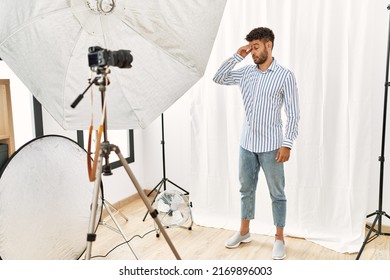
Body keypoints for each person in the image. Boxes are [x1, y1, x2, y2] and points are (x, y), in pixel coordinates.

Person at [212, 27, 299, 260]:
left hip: (273, 146)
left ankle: (279, 238)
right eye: (250, 47)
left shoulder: (285, 75)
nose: (252, 52)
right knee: (246, 189)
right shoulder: (246, 72)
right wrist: (237, 55)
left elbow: (293, 114)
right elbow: (218, 77)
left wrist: (287, 144)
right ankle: (244, 232)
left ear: (269, 45)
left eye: (256, 47)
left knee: (277, 193)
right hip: (247, 143)